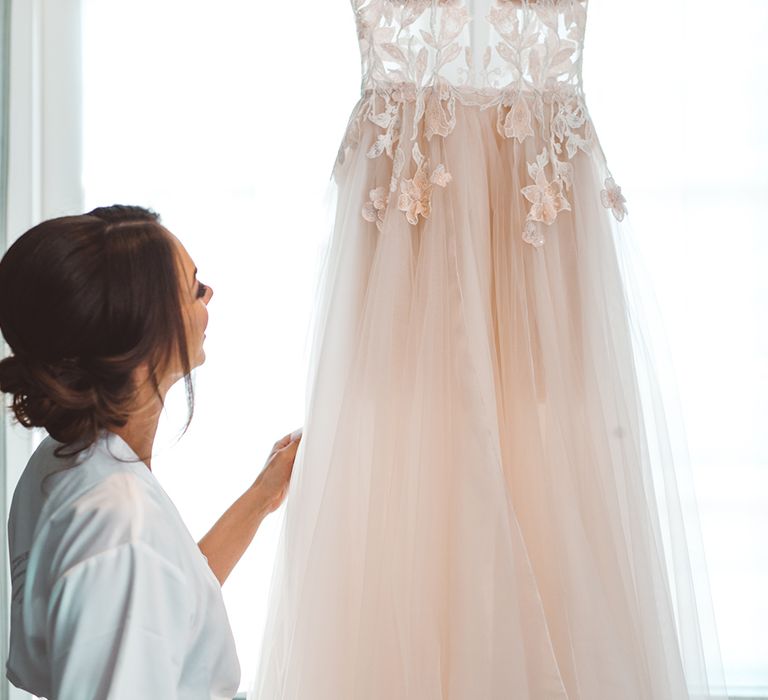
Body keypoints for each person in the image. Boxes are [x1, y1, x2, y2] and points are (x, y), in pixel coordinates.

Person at [0, 204, 299, 698]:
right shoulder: (119, 526)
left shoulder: (64, 458)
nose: (209, 295)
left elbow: (169, 596)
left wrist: (263, 496)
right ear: (143, 343)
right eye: (194, 288)